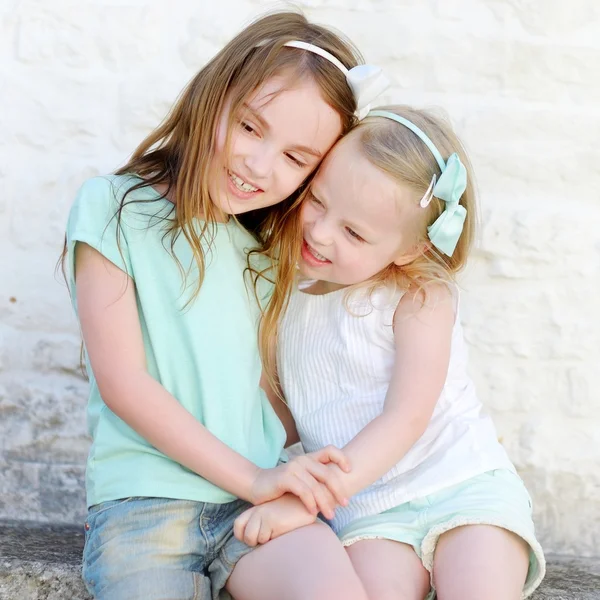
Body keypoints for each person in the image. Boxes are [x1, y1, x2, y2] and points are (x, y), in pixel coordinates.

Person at [63, 11, 388, 600]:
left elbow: (266, 386)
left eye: (296, 158)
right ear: (215, 94)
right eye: (249, 127)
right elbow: (123, 384)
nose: (259, 166)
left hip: (257, 507)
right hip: (146, 503)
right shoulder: (114, 209)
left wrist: (290, 471)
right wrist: (260, 478)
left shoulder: (268, 249)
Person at [234, 106, 546, 600]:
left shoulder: (420, 298)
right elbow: (286, 415)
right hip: (367, 507)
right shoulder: (283, 294)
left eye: (354, 232)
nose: (319, 232)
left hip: (460, 481)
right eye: (317, 200)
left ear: (412, 249)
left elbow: (406, 417)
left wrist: (305, 502)